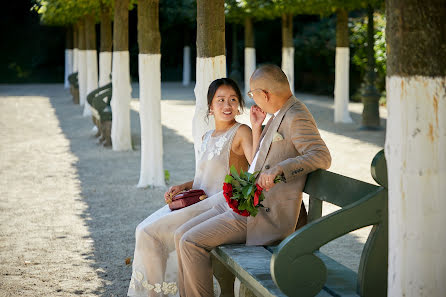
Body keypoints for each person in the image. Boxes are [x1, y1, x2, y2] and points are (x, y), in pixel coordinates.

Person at [174, 64, 332, 297]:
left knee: (190, 242)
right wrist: (257, 126)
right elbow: (258, 160)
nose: (253, 99)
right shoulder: (280, 114)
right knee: (180, 235)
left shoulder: (296, 115)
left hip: (264, 214)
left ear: (265, 94)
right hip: (247, 204)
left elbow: (321, 155)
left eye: (252, 94)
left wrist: (281, 168)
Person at [127, 78, 254, 297]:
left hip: (220, 206)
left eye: (233, 100)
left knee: (151, 232)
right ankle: (157, 291)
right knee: (143, 229)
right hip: (198, 201)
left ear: (240, 104)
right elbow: (204, 178)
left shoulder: (242, 132)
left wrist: (258, 128)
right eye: (221, 100)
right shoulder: (207, 137)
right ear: (210, 107)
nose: (227, 105)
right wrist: (182, 187)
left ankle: (160, 292)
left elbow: (257, 167)